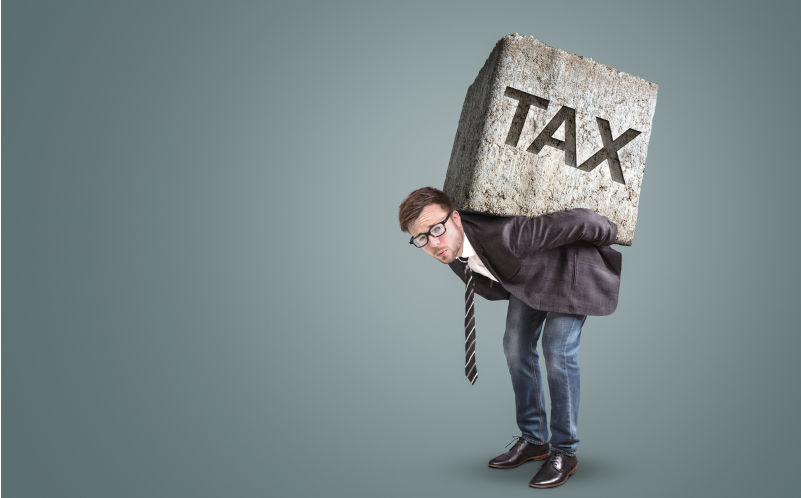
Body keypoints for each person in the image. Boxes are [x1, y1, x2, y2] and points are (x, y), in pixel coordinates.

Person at [398, 186, 622, 489]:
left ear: (455, 218)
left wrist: (611, 232)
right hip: (529, 277)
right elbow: (491, 282)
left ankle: (565, 451)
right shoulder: (448, 252)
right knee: (515, 346)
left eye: (437, 229)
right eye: (421, 238)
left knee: (557, 350)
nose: (433, 242)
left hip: (570, 270)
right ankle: (534, 439)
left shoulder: (507, 235)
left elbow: (581, 219)